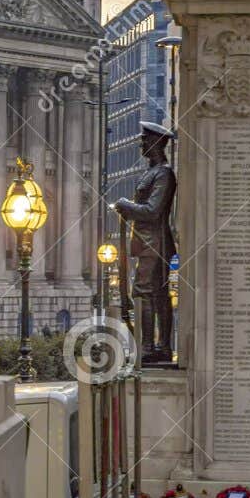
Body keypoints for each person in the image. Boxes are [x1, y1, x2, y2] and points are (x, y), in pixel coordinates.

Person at [114, 122, 177, 364]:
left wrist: (125, 206)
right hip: (146, 242)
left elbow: (153, 210)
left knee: (147, 293)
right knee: (153, 294)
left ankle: (152, 347)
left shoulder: (164, 173)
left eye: (144, 140)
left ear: (156, 143)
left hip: (156, 243)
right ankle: (153, 346)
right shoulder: (152, 173)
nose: (141, 144)